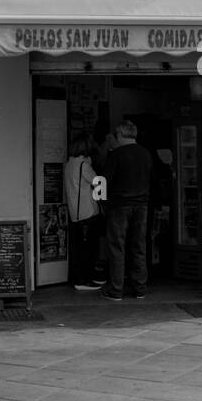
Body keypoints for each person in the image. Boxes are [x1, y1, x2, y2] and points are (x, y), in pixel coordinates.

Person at [101, 120, 154, 300]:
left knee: (117, 247)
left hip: (120, 205)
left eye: (117, 135)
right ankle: (140, 288)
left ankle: (116, 289)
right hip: (142, 205)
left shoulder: (116, 154)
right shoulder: (146, 153)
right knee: (138, 246)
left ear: (121, 135)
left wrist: (102, 201)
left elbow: (105, 180)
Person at [65, 137, 104, 291]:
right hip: (87, 211)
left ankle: (82, 277)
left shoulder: (69, 164)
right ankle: (85, 280)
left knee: (80, 247)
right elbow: (98, 183)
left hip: (75, 212)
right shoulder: (83, 165)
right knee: (89, 247)